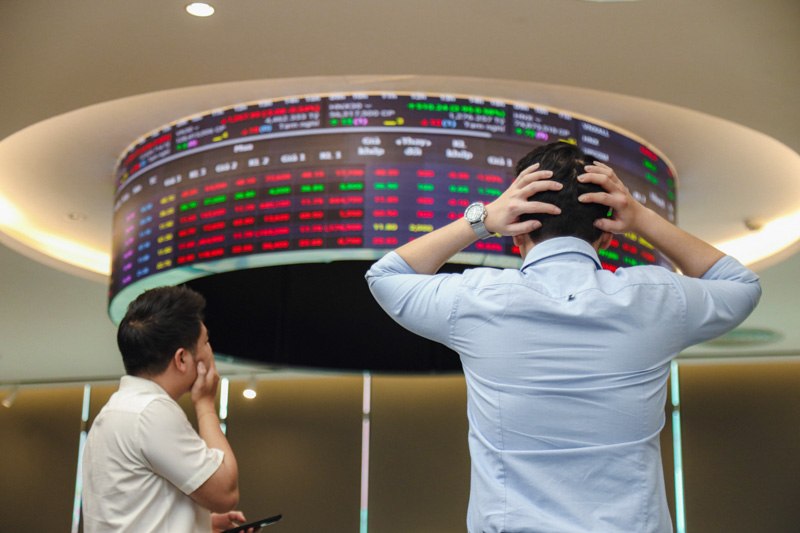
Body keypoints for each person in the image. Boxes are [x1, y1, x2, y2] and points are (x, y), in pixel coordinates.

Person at [366, 142, 761, 532]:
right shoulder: (656, 297)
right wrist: (641, 217)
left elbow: (386, 277)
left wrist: (482, 219)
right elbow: (741, 285)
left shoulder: (476, 298)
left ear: (516, 234)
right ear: (607, 236)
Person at [82, 285, 259, 533]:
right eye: (206, 341)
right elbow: (225, 493)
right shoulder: (151, 412)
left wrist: (201, 524)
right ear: (182, 359)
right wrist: (206, 404)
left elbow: (132, 512)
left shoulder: (116, 411)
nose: (210, 350)